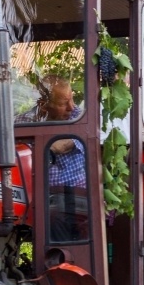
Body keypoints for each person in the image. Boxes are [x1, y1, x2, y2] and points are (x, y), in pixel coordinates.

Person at [16, 74, 86, 241]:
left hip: (78, 196)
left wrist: (49, 149)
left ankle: (62, 262)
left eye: (72, 99)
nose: (71, 106)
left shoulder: (78, 117)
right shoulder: (24, 122)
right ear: (44, 105)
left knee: (54, 217)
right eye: (63, 103)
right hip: (41, 196)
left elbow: (76, 140)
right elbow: (20, 157)